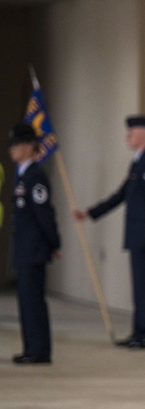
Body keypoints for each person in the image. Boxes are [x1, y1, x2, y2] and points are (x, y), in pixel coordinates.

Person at [73, 115, 145, 349]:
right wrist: (90, 212)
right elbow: (121, 195)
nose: (128, 136)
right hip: (138, 235)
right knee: (140, 288)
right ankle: (140, 331)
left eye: (133, 132)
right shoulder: (137, 162)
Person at [9, 123, 60, 364]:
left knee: (33, 302)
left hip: (34, 249)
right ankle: (31, 347)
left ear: (29, 147)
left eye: (17, 145)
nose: (12, 150)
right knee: (26, 301)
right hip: (23, 248)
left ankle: (39, 350)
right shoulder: (21, 175)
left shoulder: (35, 176)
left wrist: (54, 242)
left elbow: (44, 214)